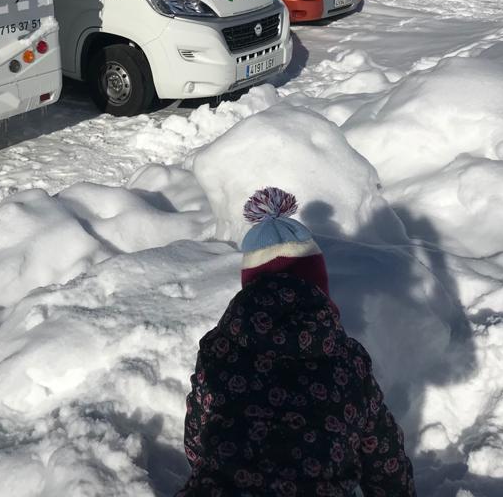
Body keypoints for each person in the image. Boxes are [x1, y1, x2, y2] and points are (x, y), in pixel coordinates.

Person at [176, 187, 416, 496]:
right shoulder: (346, 360)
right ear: (320, 291)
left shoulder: (219, 349)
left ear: (249, 290)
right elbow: (383, 455)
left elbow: (198, 434)